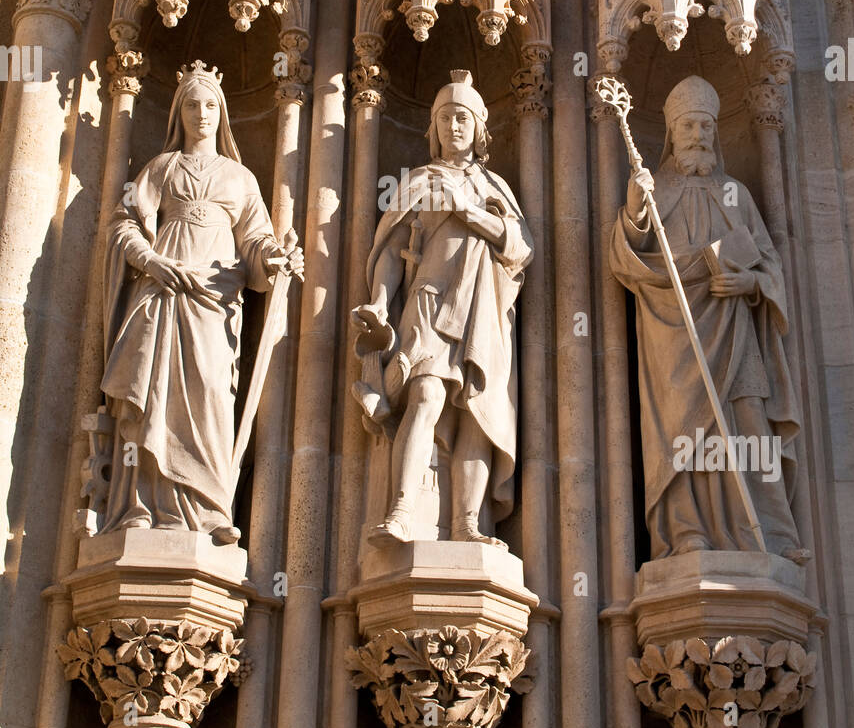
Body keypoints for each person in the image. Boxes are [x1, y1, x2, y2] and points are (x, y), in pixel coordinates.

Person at [100, 60, 303, 543]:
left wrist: (274, 260)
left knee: (211, 391)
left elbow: (255, 240)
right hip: (162, 294)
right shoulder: (161, 168)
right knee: (152, 395)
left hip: (215, 301)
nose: (202, 113)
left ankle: (208, 509)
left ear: (223, 112)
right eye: (192, 104)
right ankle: (140, 506)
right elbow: (122, 223)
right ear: (179, 111)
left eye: (210, 104)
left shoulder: (240, 177)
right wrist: (149, 261)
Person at [609, 75, 808, 562]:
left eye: (705, 126)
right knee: (682, 429)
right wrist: (635, 208)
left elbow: (770, 265)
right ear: (672, 134)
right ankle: (687, 531)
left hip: (736, 330)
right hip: (672, 332)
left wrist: (751, 284)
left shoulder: (736, 193)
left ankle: (770, 535)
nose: (698, 135)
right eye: (688, 126)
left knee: (748, 423)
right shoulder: (657, 193)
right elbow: (627, 258)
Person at [351, 70, 533, 548]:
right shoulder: (417, 182)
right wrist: (379, 301)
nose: (455, 126)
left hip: (485, 310)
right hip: (429, 303)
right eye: (447, 118)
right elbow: (391, 250)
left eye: (464, 118)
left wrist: (469, 211)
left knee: (477, 410)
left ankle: (467, 524)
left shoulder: (494, 188)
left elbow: (520, 248)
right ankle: (402, 511)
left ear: (479, 128)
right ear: (433, 127)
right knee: (427, 395)